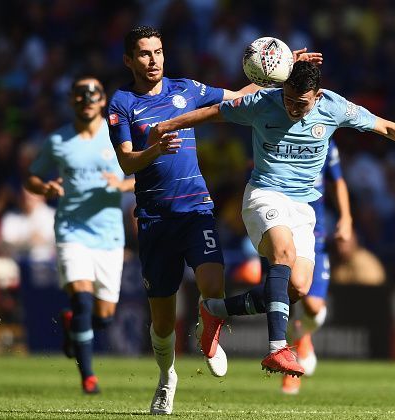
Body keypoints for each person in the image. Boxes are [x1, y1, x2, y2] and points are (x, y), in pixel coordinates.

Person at [149, 60, 395, 380]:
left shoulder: (334, 107)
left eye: (300, 103)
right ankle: (277, 348)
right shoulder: (262, 103)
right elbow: (213, 112)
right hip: (264, 195)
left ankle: (214, 311)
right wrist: (168, 125)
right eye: (287, 99)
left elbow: (386, 127)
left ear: (316, 96)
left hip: (303, 208)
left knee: (297, 288)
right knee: (282, 254)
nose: (291, 108)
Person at [106, 26, 321, 415]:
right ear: (128, 60)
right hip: (154, 216)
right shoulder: (121, 103)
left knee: (213, 288)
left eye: (157, 51)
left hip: (195, 210)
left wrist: (281, 69)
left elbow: (240, 99)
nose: (152, 60)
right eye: (143, 54)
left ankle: (210, 331)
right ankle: (166, 377)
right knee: (163, 324)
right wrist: (154, 150)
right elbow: (125, 161)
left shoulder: (186, 89)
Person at [25, 76, 134, 394]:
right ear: (72, 100)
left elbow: (145, 173)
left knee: (104, 317)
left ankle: (73, 325)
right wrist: (44, 188)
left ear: (102, 100)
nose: (87, 100)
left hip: (109, 235)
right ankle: (88, 377)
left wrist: (123, 185)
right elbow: (32, 176)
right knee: (83, 300)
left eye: (94, 95)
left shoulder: (118, 136)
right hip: (72, 230)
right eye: (81, 95)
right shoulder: (58, 140)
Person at [281, 140, 353, 394]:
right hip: (281, 233)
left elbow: (338, 181)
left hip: (315, 234)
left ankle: (302, 337)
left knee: (312, 307)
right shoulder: (274, 134)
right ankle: (291, 370)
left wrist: (346, 217)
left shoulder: (325, 141)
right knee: (286, 300)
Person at [0, 188, 55, 330]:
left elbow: (43, 242)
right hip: (14, 266)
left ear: (42, 196)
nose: (27, 198)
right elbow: (7, 245)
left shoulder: (51, 215)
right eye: (24, 195)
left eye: (32, 194)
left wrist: (21, 241)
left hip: (41, 268)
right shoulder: (11, 217)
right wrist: (30, 240)